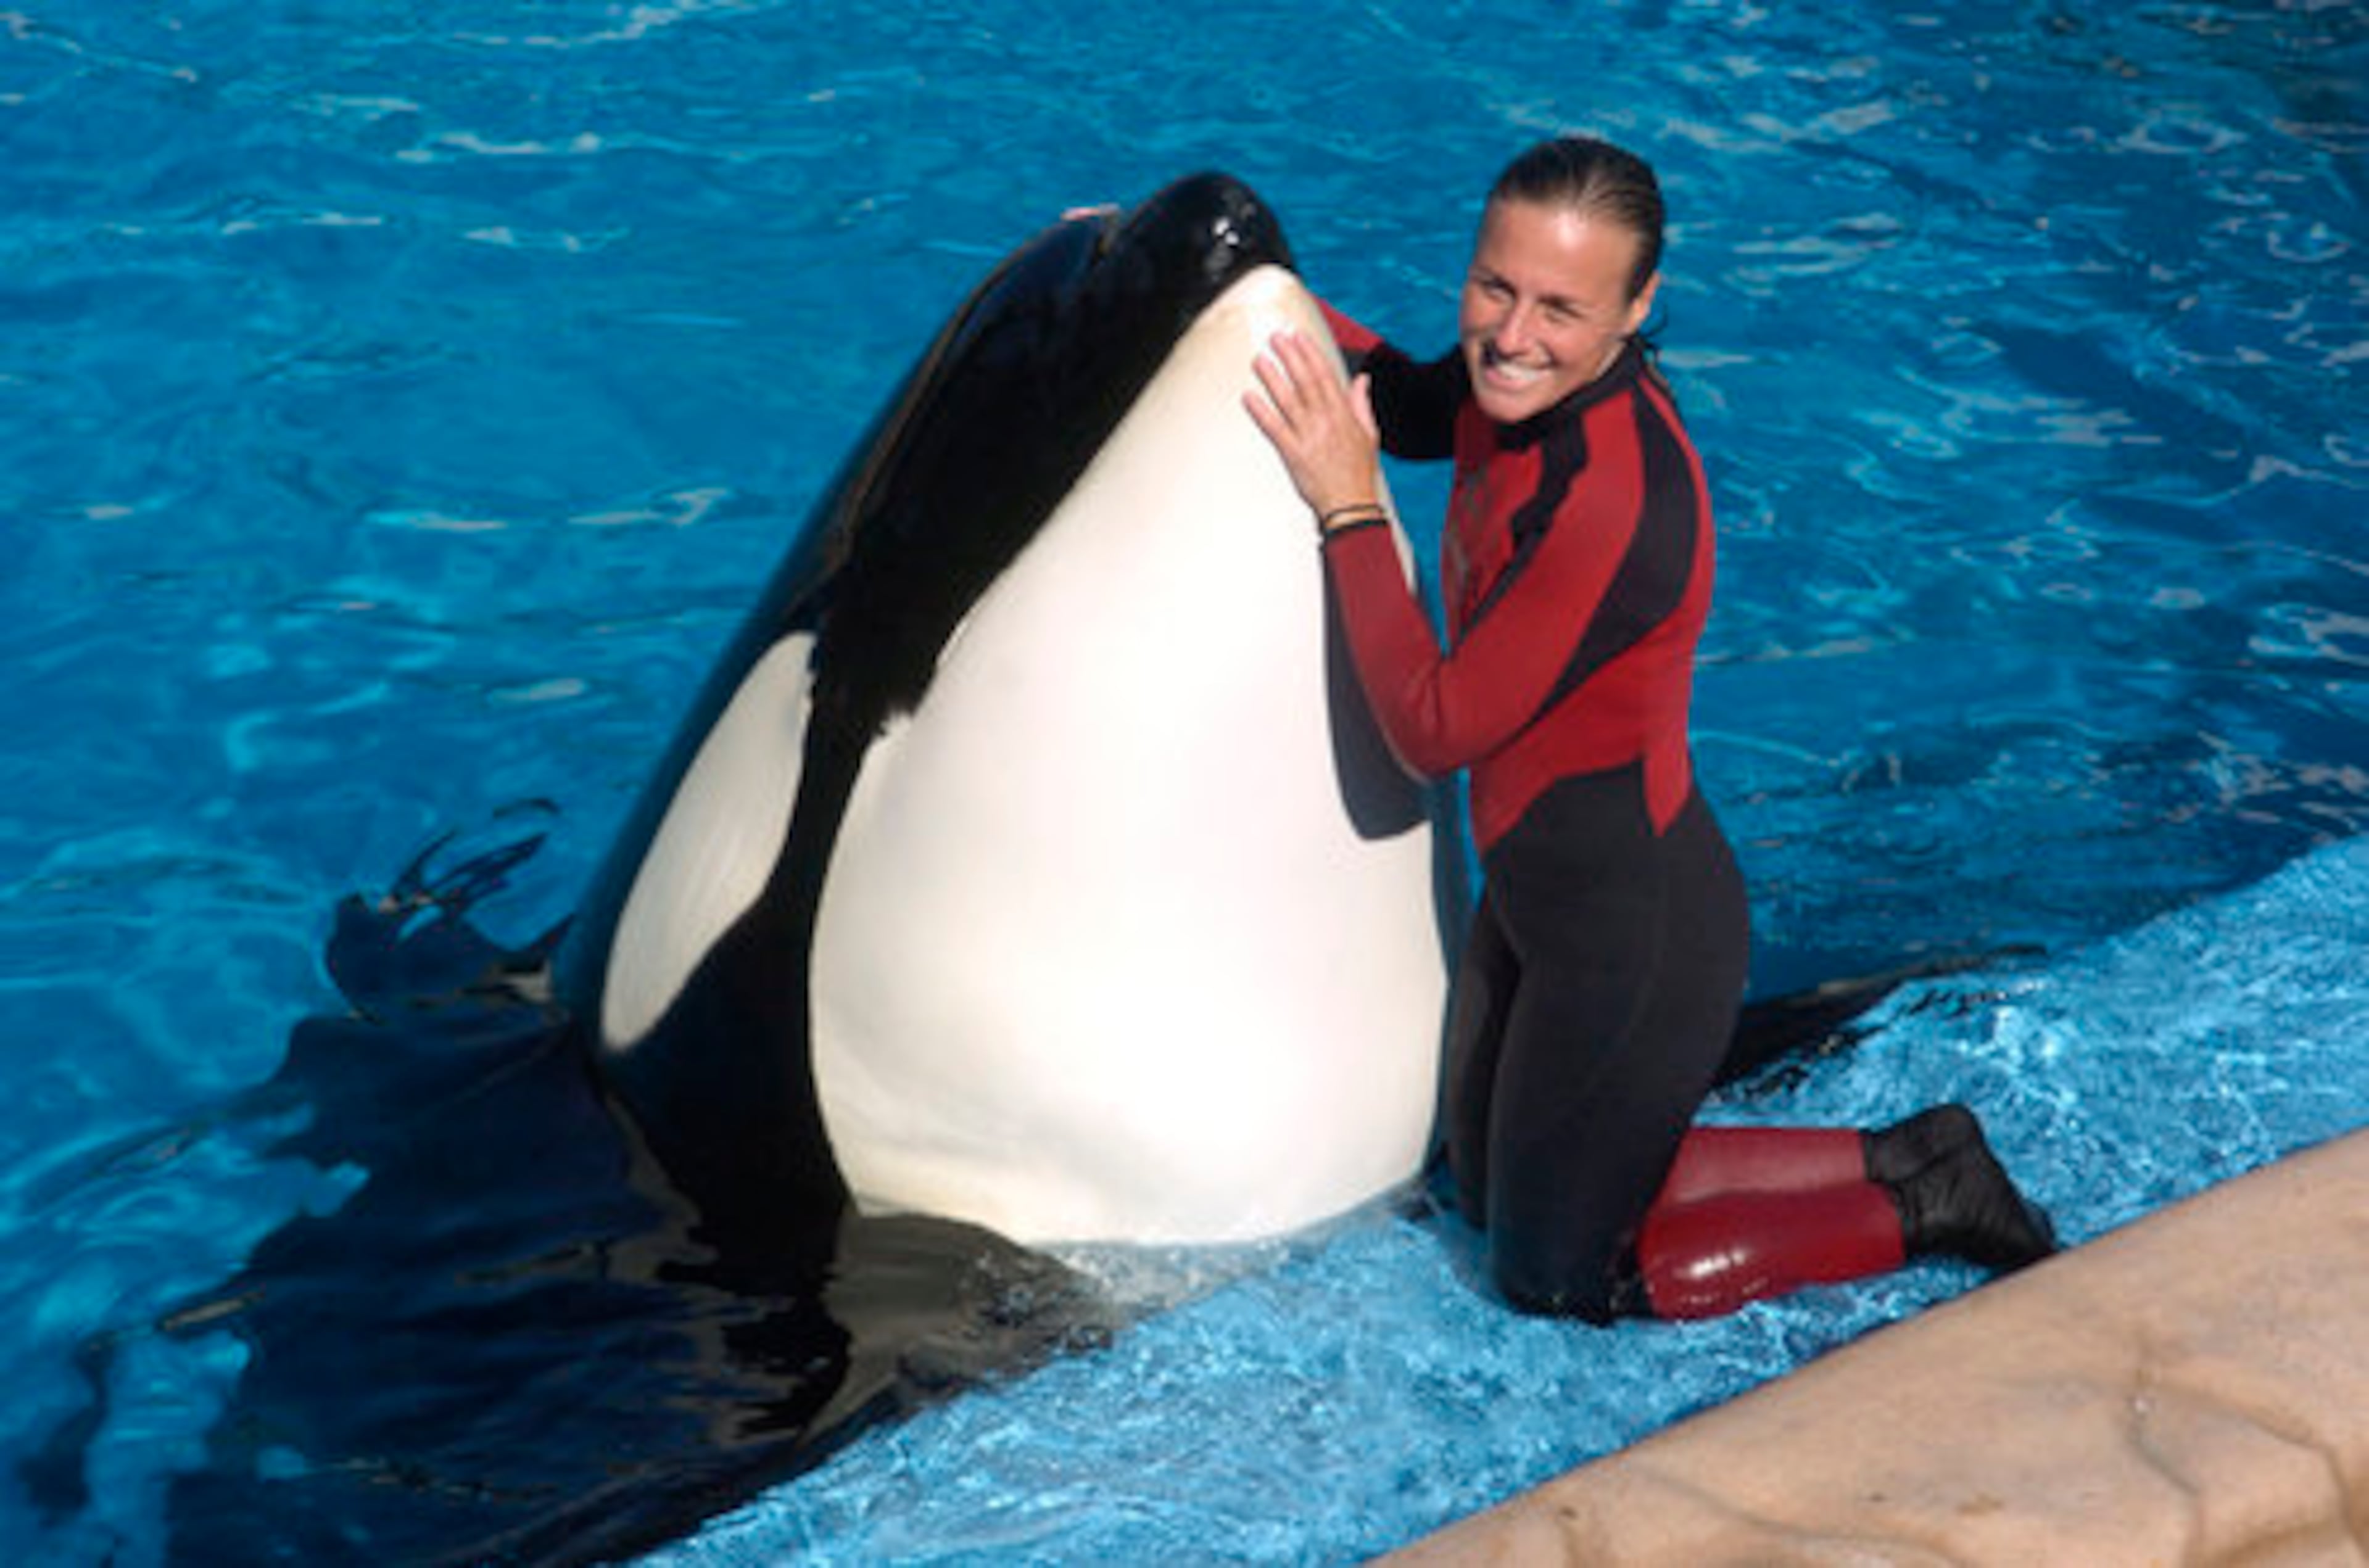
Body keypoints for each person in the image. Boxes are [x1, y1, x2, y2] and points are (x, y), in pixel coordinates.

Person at [1246, 134, 2055, 1323]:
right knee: (1484, 1190)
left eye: (1560, 308)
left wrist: (1347, 507)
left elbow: (1433, 728)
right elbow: (1408, 405)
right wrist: (1228, 278)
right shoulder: (1513, 386)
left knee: (1553, 1277)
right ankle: (1908, 1148)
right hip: (1539, 893)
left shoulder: (1610, 496)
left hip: (1633, 928)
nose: (1512, 335)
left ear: (1635, 309)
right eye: (1494, 287)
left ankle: (1928, 1201)